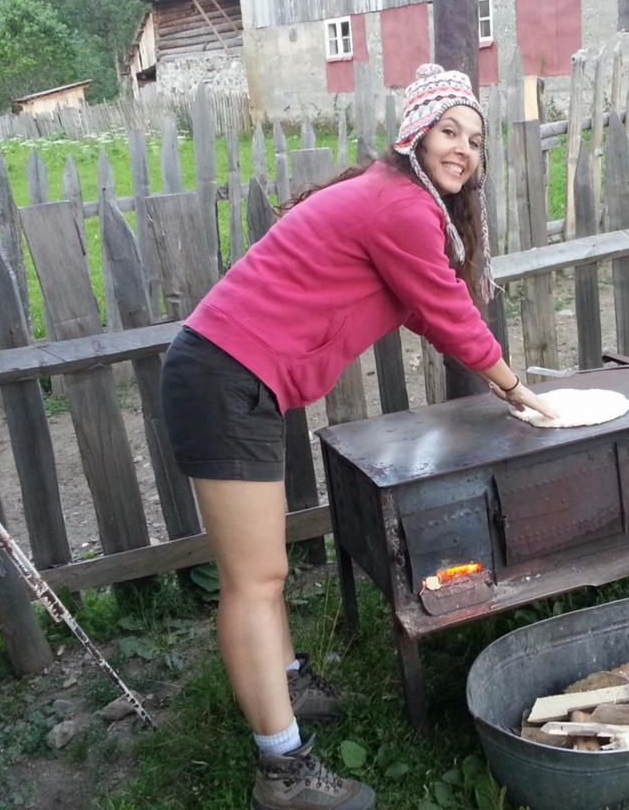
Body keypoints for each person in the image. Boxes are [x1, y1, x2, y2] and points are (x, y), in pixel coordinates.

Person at [161, 63, 556, 810]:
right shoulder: (400, 206)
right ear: (413, 133)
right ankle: (282, 772)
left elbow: (415, 306)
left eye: (475, 140)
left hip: (228, 373)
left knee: (263, 573)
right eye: (450, 130)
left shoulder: (393, 204)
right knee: (254, 581)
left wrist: (500, 377)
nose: (464, 149)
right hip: (221, 375)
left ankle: (284, 686)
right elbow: (446, 311)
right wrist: (516, 388)